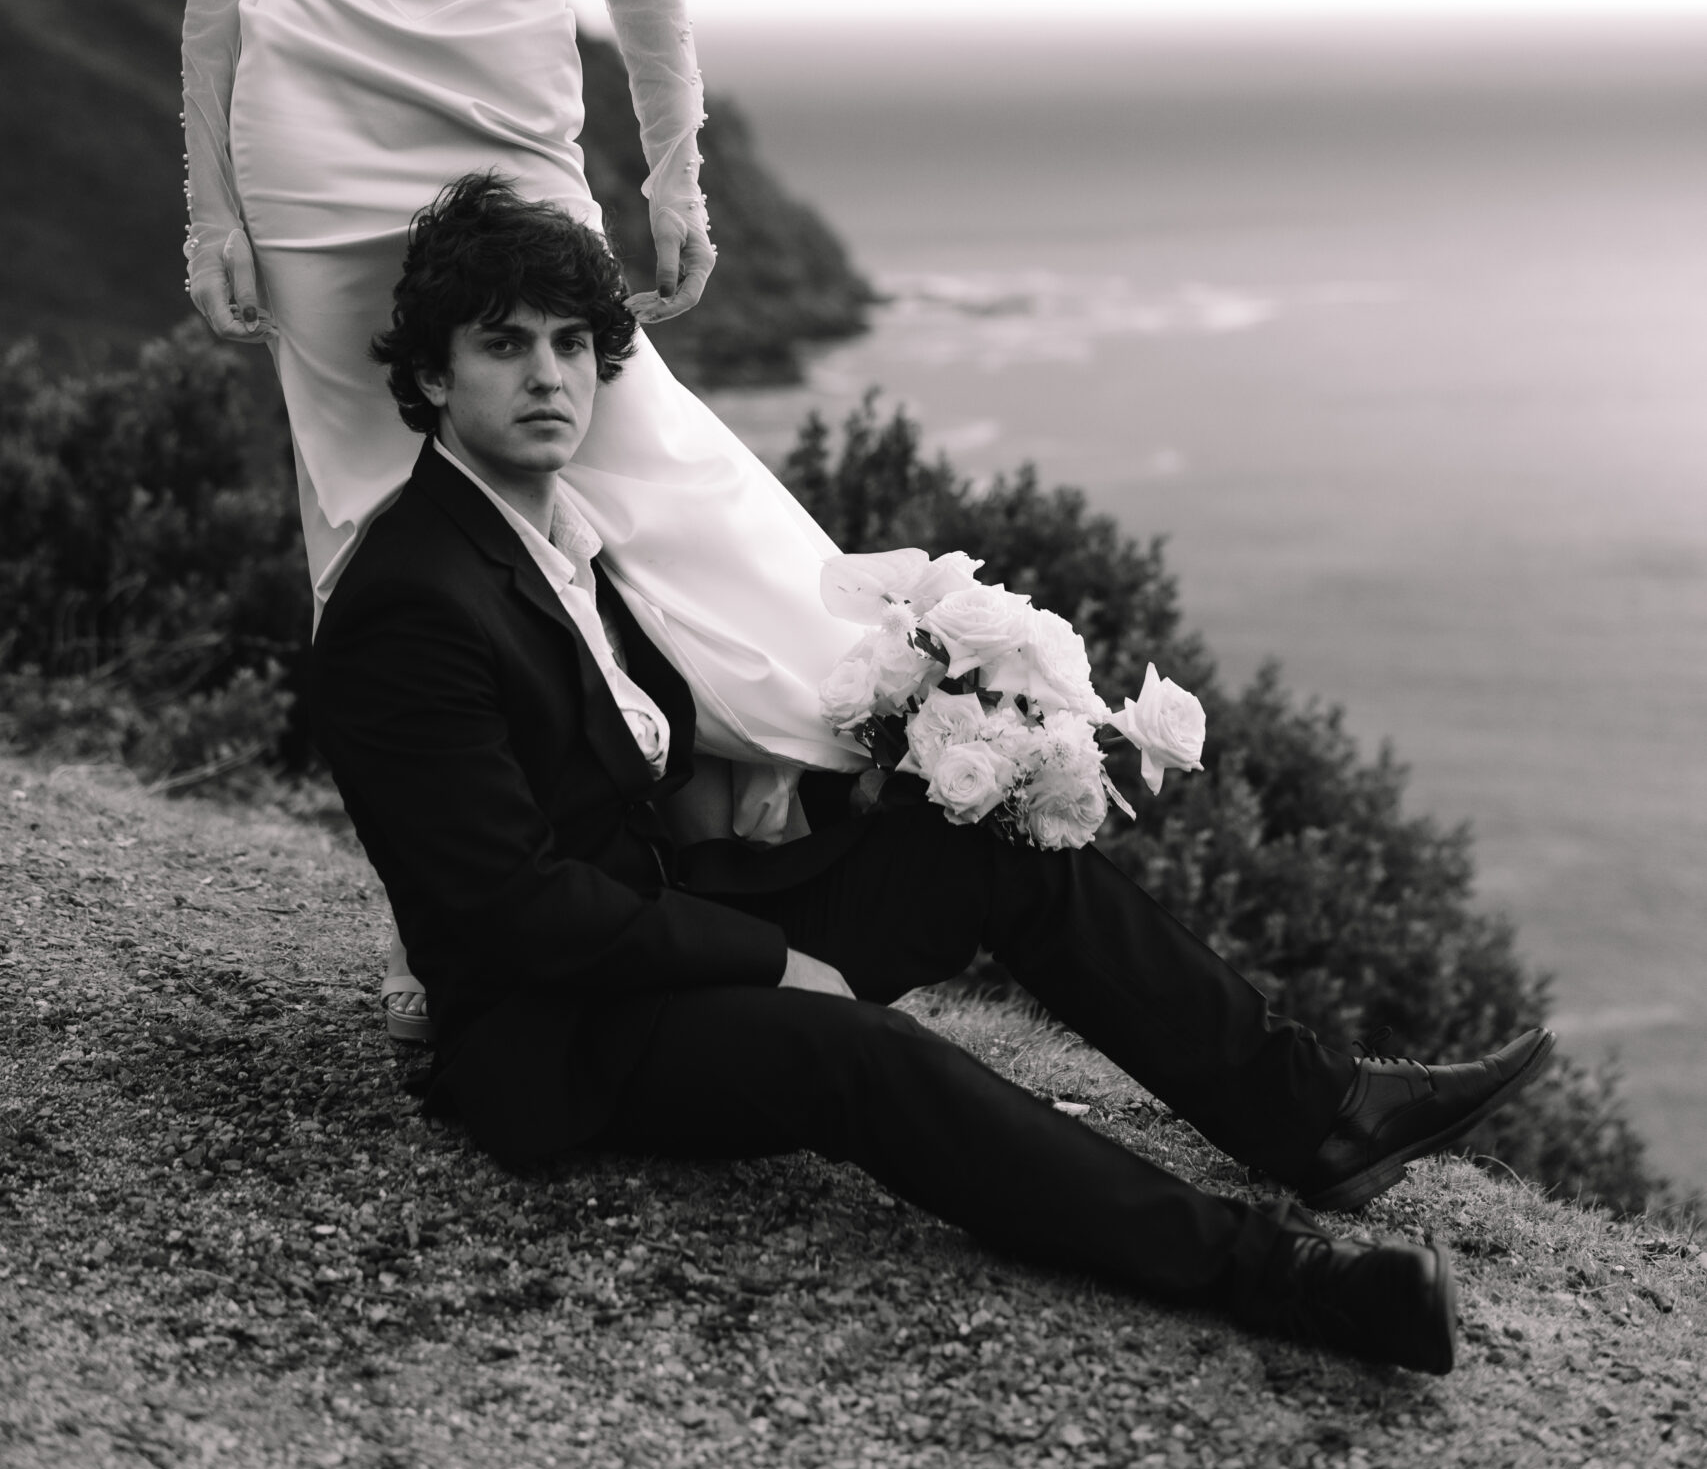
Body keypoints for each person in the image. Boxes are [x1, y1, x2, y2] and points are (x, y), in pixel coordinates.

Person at [310, 174, 1559, 1377]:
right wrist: (765, 958)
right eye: (505, 345)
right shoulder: (410, 598)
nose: (548, 375)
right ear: (430, 374)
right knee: (865, 1059)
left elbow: (640, 771)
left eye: (573, 344)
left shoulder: (565, 542)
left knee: (986, 838)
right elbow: (505, 907)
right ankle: (1288, 1278)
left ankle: (1320, 1117)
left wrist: (850, 789)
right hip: (553, 1035)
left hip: (665, 925)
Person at [178, 0, 868, 1034]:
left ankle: (779, 773)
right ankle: (458, 950)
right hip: (314, 125)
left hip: (507, 123)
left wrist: (674, 172)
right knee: (365, 534)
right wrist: (207, 200)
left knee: (637, 469)